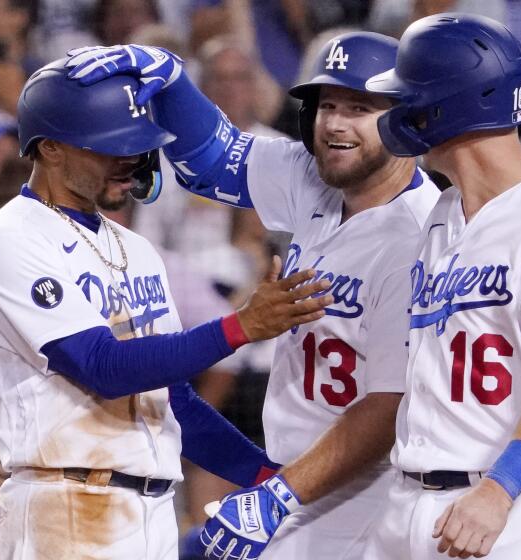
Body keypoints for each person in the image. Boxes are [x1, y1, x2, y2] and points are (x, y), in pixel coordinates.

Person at [64, 30, 441, 559]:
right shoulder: (316, 181)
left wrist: (277, 497)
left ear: (404, 119)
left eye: (359, 107)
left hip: (370, 497)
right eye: (326, 104)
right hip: (299, 483)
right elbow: (214, 162)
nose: (334, 122)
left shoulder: (421, 236)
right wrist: (173, 81)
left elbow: (388, 406)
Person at [0, 58, 333, 560]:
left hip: (149, 513)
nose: (129, 159)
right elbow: (103, 367)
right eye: (110, 146)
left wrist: (274, 483)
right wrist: (240, 327)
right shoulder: (13, 241)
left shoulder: (136, 250)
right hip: (63, 507)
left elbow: (174, 403)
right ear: (49, 148)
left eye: (135, 145)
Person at [359, 13, 521, 559]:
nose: (399, 111)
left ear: (447, 107)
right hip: (412, 502)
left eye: (410, 97)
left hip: (515, 508)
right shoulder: (444, 211)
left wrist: (499, 490)